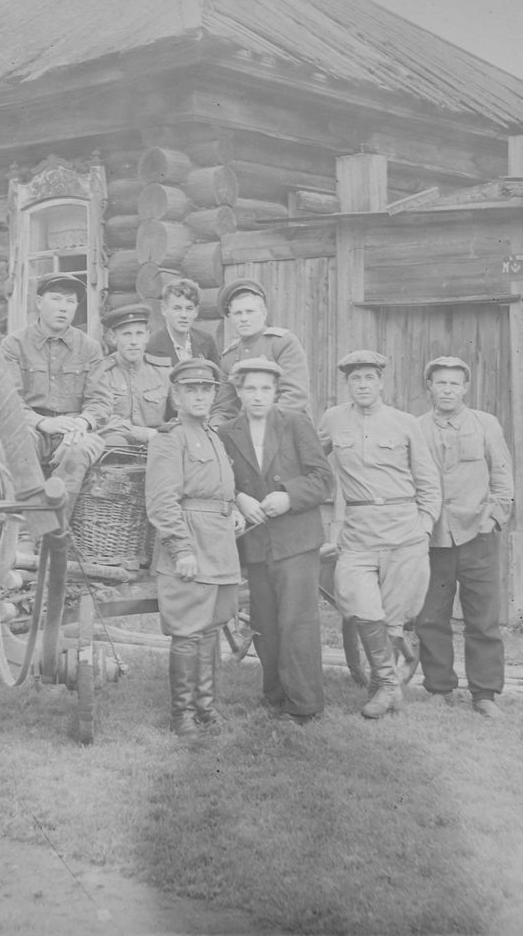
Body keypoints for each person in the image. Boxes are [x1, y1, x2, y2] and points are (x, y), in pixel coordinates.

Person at [318, 351, 441, 719]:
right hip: (358, 532)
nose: (363, 385)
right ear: (348, 384)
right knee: (362, 605)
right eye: (356, 378)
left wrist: (425, 525)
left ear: (382, 382)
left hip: (404, 530)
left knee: (394, 617)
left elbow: (428, 481)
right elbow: (309, 459)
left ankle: (383, 684)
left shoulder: (405, 424)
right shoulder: (333, 420)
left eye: (370, 377)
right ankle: (388, 684)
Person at [218, 358, 333, 724]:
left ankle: (304, 704)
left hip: (296, 540)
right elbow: (223, 481)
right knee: (264, 623)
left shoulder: (295, 423)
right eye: (250, 388)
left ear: (276, 392)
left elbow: (322, 479)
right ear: (238, 391)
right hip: (256, 543)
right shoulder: (227, 432)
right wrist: (239, 497)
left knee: (296, 622)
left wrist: (287, 495)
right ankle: (275, 696)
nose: (257, 396)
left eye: (265, 389)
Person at [145, 358, 247, 738]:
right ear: (176, 395)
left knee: (210, 630)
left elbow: (219, 488)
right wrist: (180, 549)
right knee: (188, 632)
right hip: (190, 544)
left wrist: (233, 508)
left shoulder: (213, 436)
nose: (201, 396)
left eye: (207, 389)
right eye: (192, 389)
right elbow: (161, 502)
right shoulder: (170, 438)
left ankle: (207, 709)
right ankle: (182, 715)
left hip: (220, 544)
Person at [414, 356, 516, 719]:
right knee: (430, 617)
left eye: (454, 384)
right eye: (440, 383)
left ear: (465, 388)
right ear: (430, 387)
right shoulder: (417, 428)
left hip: (477, 535)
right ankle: (439, 688)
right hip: (434, 538)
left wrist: (493, 517)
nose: (447, 390)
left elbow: (502, 476)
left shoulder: (485, 424)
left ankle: (484, 692)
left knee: (483, 619)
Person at [0, 273, 106, 520]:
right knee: (18, 445)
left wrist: (82, 423)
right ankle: (25, 533)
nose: (63, 308)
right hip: (31, 427)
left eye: (70, 302)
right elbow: (9, 400)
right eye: (56, 299)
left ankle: (51, 531)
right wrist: (43, 422)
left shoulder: (89, 348)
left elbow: (100, 400)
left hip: (75, 429)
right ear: (39, 302)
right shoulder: (14, 345)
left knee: (78, 450)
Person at [211, 279, 313, 424]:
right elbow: (224, 408)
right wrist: (214, 430)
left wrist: (256, 427)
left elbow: (295, 397)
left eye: (250, 312)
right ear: (230, 318)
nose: (244, 318)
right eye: (238, 313)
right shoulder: (229, 357)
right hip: (250, 434)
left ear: (264, 313)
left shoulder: (282, 343)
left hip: (289, 428)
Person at [81, 303, 173, 449]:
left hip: (157, 446)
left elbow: (178, 414)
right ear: (113, 337)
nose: (134, 342)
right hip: (114, 449)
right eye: (127, 334)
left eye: (139, 334)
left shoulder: (163, 372)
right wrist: (142, 433)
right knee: (116, 443)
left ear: (147, 336)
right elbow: (99, 418)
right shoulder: (101, 373)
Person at [146, 277, 220, 366]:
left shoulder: (207, 341)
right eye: (177, 308)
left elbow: (216, 377)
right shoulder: (151, 345)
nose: (184, 315)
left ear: (196, 311)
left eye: (189, 309)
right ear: (164, 310)